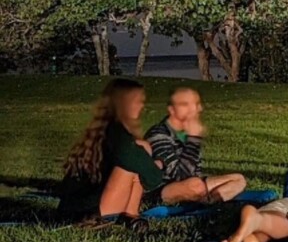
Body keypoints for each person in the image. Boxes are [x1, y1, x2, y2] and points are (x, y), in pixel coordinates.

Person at [57, 78, 165, 222]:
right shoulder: (118, 135)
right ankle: (125, 216)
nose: (142, 106)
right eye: (137, 101)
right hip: (87, 215)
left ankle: (131, 216)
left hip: (71, 209)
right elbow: (153, 178)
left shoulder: (101, 132)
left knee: (137, 154)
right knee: (136, 158)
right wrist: (159, 165)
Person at [145, 87, 247, 204]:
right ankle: (206, 199)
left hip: (192, 182)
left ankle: (208, 201)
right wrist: (193, 141)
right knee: (196, 186)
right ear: (172, 110)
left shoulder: (186, 133)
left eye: (196, 104)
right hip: (162, 187)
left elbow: (195, 172)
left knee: (239, 180)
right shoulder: (159, 134)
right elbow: (179, 176)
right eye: (187, 105)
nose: (196, 109)